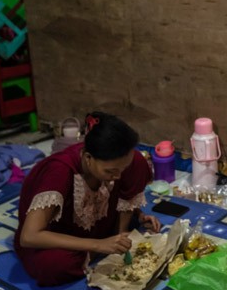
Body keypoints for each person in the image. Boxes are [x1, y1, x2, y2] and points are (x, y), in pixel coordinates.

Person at [14, 112, 161, 286]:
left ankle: (116, 236)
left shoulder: (115, 167)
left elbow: (113, 191)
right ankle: (104, 246)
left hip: (99, 226)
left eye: (122, 169)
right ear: (88, 158)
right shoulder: (60, 171)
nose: (118, 176)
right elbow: (29, 236)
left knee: (137, 161)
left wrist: (137, 214)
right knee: (53, 265)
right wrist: (98, 245)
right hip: (61, 233)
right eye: (110, 171)